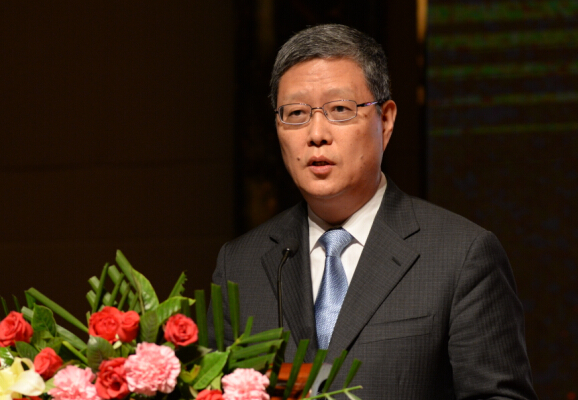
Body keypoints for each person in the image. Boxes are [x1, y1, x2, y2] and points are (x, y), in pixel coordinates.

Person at [210, 24, 537, 399]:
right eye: (296, 113)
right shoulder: (241, 264)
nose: (316, 134)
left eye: (339, 110)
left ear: (386, 120)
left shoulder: (461, 256)